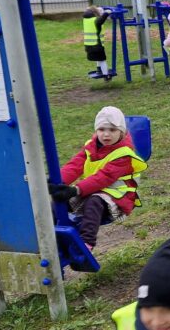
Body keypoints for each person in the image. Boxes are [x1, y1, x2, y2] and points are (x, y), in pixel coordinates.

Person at [50, 106, 146, 251]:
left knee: (94, 201)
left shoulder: (124, 154)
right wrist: (58, 182)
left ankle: (86, 243)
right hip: (91, 188)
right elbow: (75, 165)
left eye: (112, 130)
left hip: (118, 196)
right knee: (58, 201)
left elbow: (104, 177)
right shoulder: (91, 146)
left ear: (122, 132)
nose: (106, 135)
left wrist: (76, 190)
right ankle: (49, 233)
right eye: (101, 129)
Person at [83, 6, 113, 81]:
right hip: (96, 45)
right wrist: (107, 12)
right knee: (102, 60)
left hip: (88, 46)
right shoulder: (95, 20)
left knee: (98, 58)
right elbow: (102, 19)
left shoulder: (86, 20)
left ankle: (99, 70)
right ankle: (106, 76)